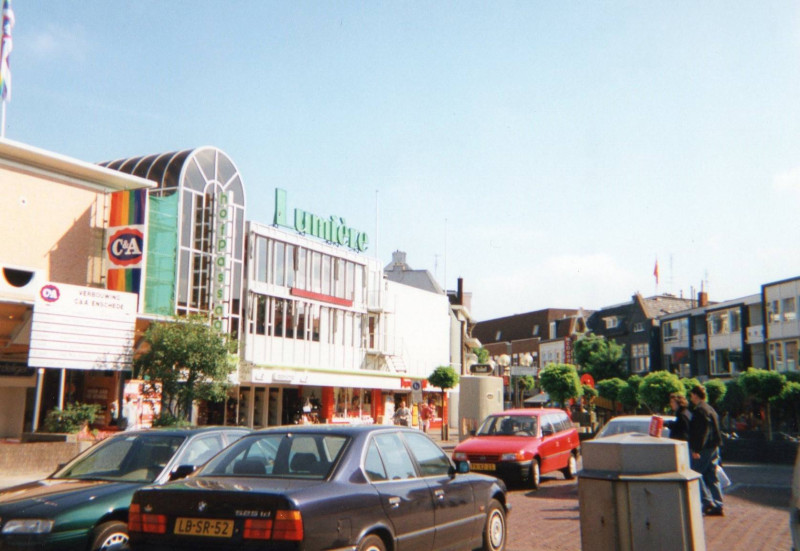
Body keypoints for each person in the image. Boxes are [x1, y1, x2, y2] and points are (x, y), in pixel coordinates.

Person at [688, 385, 724, 516]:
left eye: (692, 396)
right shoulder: (710, 409)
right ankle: (719, 504)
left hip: (705, 448)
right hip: (714, 446)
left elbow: (702, 432)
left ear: (696, 396)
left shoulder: (700, 410)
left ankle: (707, 501)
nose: (691, 398)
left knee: (695, 473)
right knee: (711, 475)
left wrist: (696, 449)